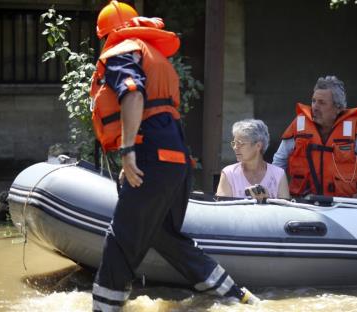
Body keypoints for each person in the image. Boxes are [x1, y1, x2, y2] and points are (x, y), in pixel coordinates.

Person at [89, 2, 258, 311]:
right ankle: (238, 297)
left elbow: (133, 93)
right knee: (164, 236)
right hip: (175, 162)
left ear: (110, 32)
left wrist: (127, 152)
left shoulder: (123, 50)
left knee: (119, 240)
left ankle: (103, 309)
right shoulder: (152, 54)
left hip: (151, 157)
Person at [273, 75, 357, 199]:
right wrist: (278, 191)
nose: (315, 107)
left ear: (338, 108)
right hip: (303, 202)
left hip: (343, 204)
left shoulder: (356, 128)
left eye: (322, 103)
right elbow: (279, 161)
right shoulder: (299, 126)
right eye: (314, 101)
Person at [216, 119, 290, 199]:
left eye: (240, 143)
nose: (235, 147)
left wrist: (266, 201)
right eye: (234, 143)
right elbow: (223, 209)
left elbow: (285, 209)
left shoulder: (278, 174)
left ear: (258, 146)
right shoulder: (229, 173)